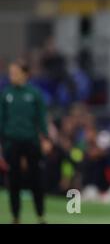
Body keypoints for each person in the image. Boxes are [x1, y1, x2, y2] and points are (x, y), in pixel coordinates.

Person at [0, 61, 48, 224]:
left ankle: (40, 215)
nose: (11, 75)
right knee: (13, 181)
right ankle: (15, 216)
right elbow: (1, 119)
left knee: (36, 179)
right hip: (11, 142)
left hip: (31, 141)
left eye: (15, 72)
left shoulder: (34, 94)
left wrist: (46, 138)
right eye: (10, 72)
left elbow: (41, 118)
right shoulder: (6, 94)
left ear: (25, 74)